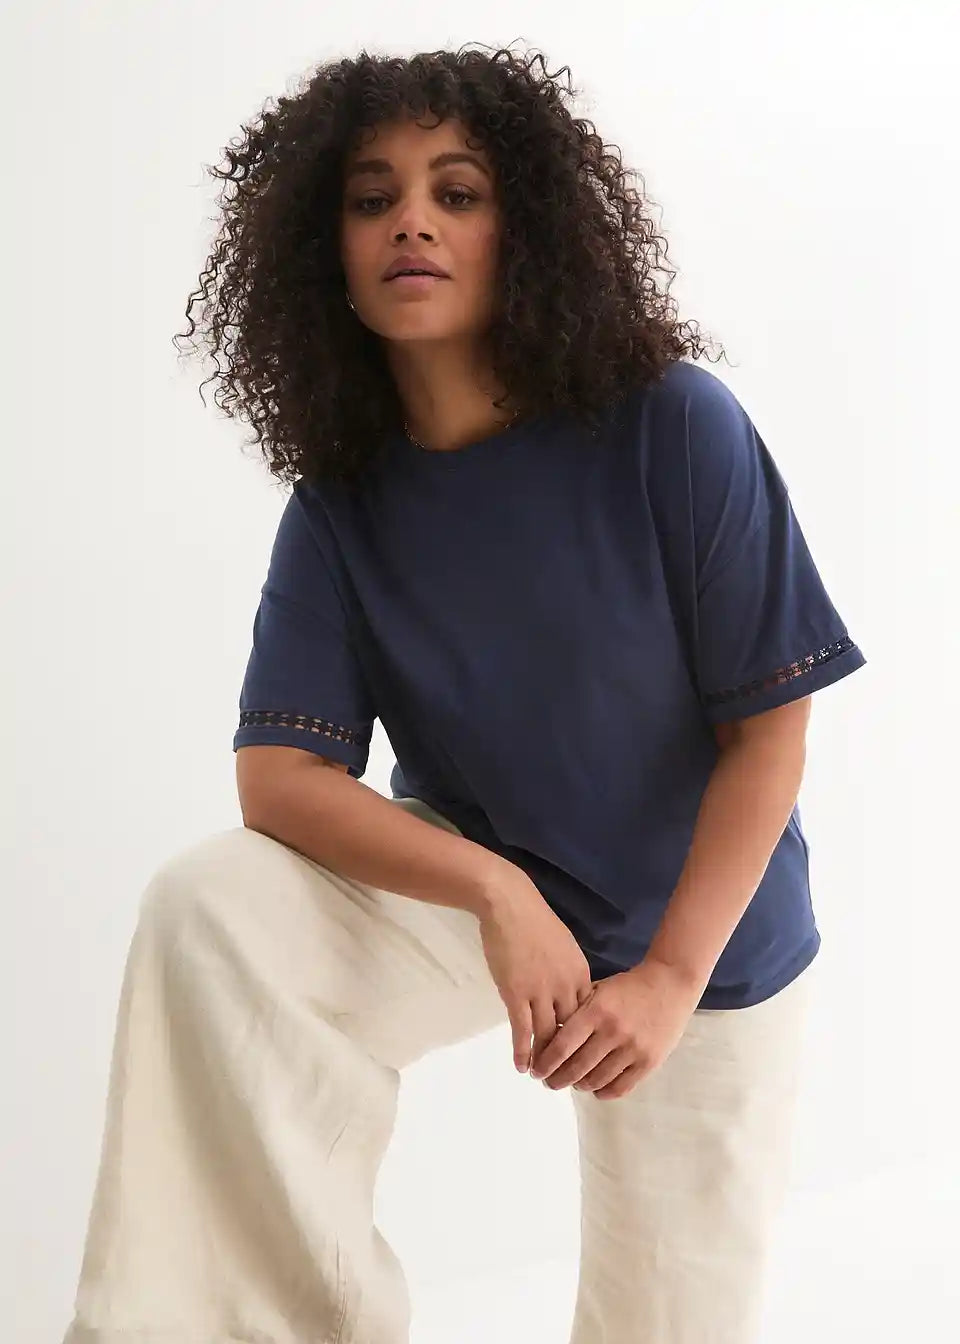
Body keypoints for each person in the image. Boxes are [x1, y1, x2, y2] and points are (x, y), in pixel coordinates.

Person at [62, 44, 867, 1344]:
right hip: (477, 886)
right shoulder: (342, 506)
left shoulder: (671, 425)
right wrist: (495, 891)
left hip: (703, 941)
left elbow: (769, 733)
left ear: (525, 227)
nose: (412, 222)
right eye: (371, 198)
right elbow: (279, 781)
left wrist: (668, 975)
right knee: (214, 909)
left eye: (458, 191)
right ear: (325, 249)